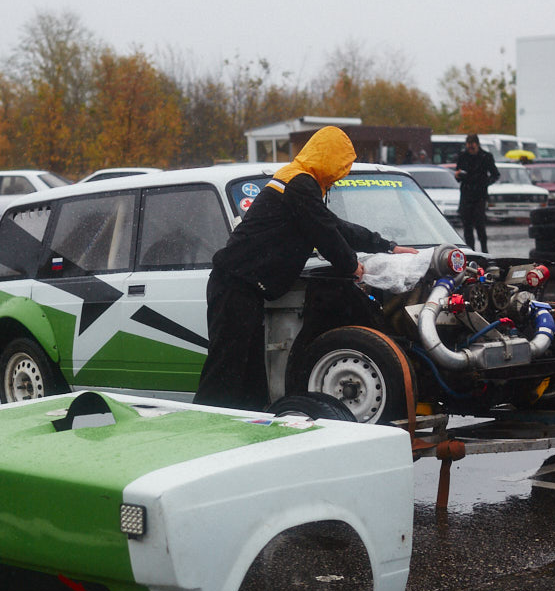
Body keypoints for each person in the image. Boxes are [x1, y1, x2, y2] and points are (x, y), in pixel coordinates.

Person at [193, 126, 417, 412]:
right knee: (226, 369)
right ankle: (205, 424)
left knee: (248, 373)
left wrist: (387, 246)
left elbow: (335, 225)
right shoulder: (299, 184)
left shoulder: (299, 183)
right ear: (329, 157)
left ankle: (245, 428)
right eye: (341, 166)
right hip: (235, 285)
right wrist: (352, 265)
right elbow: (325, 232)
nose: (340, 175)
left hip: (243, 287)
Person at [453, 134, 500, 252]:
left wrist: (484, 183)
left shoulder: (486, 157)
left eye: (472, 145)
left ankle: (484, 250)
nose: (470, 148)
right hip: (466, 194)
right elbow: (458, 174)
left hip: (480, 196)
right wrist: (458, 175)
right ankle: (471, 250)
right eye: (468, 145)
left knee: (480, 225)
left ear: (477, 144)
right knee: (467, 226)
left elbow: (495, 174)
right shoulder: (462, 156)